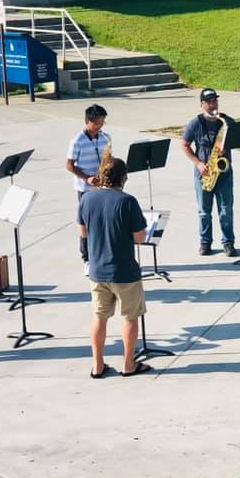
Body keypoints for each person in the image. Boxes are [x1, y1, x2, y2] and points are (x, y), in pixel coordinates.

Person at [77, 157, 151, 378]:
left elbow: (83, 232)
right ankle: (129, 364)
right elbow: (139, 238)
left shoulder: (87, 199)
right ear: (123, 178)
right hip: (124, 271)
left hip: (97, 270)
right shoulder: (127, 201)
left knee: (99, 317)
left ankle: (97, 366)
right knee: (130, 317)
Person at [181, 88, 236, 257]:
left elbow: (239, 139)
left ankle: (228, 242)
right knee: (204, 211)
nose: (213, 104)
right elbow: (184, 145)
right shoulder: (195, 123)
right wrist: (198, 163)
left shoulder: (226, 122)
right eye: (209, 101)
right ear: (202, 105)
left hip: (224, 172)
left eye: (215, 101)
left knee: (226, 210)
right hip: (204, 173)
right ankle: (205, 242)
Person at [66, 104, 111, 266]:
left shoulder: (105, 137)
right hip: (85, 188)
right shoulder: (77, 141)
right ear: (88, 121)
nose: (101, 126)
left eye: (103, 123)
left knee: (103, 221)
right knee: (86, 222)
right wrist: (86, 178)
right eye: (98, 123)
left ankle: (103, 254)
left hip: (103, 186)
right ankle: (87, 258)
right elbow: (69, 165)